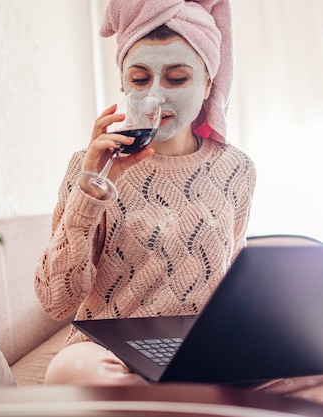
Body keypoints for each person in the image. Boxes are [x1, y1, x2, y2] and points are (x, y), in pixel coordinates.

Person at [34, 0, 255, 386]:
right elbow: (56, 301)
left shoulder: (237, 169)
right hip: (111, 354)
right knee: (68, 372)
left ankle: (184, 395)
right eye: (140, 80)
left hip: (200, 351)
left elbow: (232, 279)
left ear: (207, 83)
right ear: (123, 85)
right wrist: (91, 188)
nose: (157, 96)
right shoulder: (88, 166)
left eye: (176, 78)